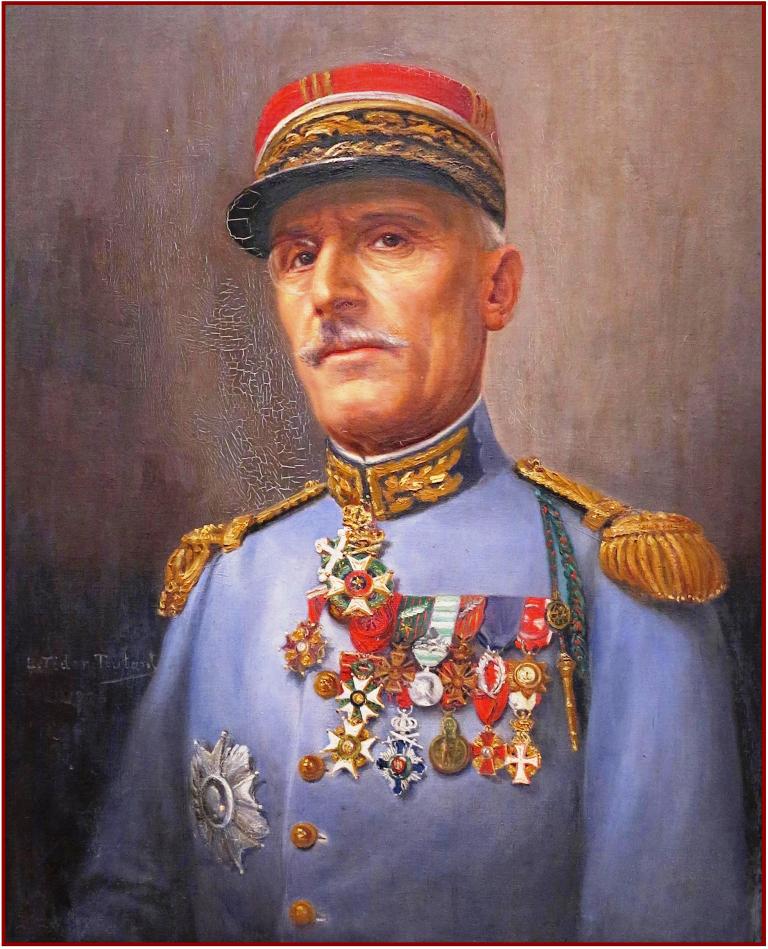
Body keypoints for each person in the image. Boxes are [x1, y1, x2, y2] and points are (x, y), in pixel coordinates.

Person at [70, 62, 750, 943]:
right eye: (298, 254)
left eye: (388, 238)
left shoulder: (619, 582)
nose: (328, 291)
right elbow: (128, 903)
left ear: (496, 288)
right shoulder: (225, 579)